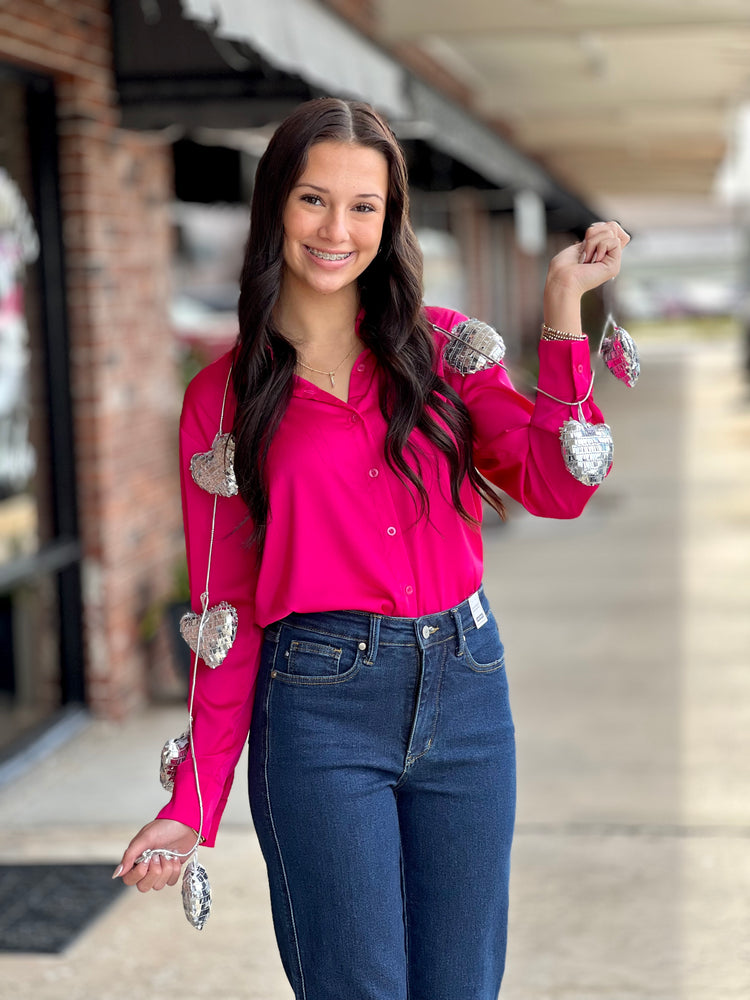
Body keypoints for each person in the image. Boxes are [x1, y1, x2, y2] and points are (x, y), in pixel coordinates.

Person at [114, 97, 629, 999]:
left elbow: (558, 484)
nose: (337, 229)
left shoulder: (444, 353)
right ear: (277, 204)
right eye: (315, 200)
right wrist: (189, 802)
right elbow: (223, 612)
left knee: (461, 987)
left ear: (390, 221)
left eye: (364, 205)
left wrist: (561, 311)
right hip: (319, 710)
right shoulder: (224, 398)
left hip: (468, 689)